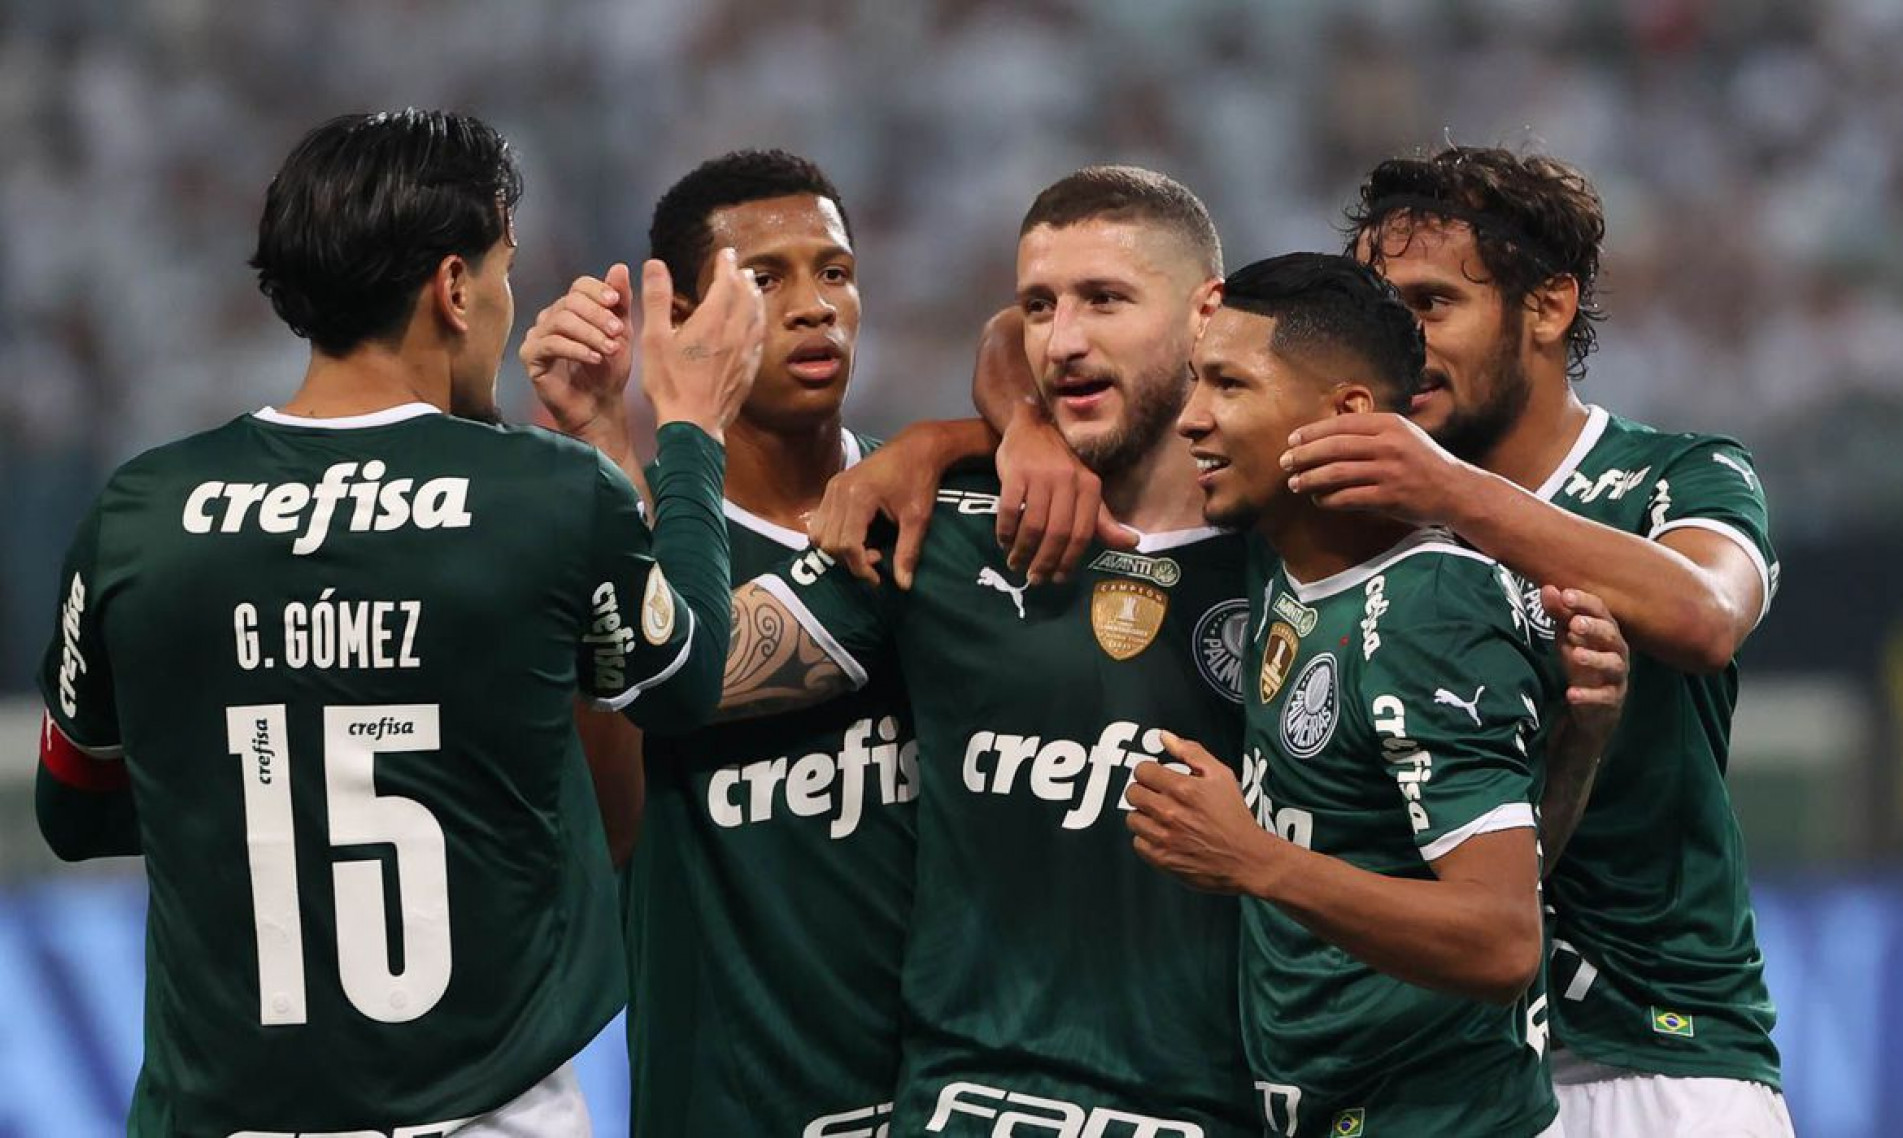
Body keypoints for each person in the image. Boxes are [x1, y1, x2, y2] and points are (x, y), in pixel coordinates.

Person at [32, 108, 764, 1137]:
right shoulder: (546, 495)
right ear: (455, 289)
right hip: (483, 1112)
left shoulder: (139, 511)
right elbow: (683, 682)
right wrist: (687, 427)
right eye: (504, 272)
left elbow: (74, 811)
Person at [718, 165, 1262, 1134]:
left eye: (1105, 300)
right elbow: (684, 672)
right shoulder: (944, 539)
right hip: (962, 1108)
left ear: (1205, 313)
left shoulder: (1292, 566)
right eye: (1040, 305)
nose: (1064, 340)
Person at [1278, 147, 1790, 1136]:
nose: (1397, 344)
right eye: (1376, 313)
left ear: (1547, 308)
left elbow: (1702, 616)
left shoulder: (1674, 476)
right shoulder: (1348, 524)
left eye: (1429, 305)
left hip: (1656, 1063)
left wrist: (1450, 491)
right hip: (1429, 1081)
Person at [1128, 252, 1582, 1137]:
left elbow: (1501, 937)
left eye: (1228, 385)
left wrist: (1254, 860)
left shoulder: (1429, 609)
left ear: (1343, 415)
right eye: (1194, 382)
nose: (1190, 419)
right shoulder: (1282, 546)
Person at [520, 148, 917, 1137]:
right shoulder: (629, 549)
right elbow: (602, 823)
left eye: (834, 271)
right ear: (681, 330)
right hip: (721, 1106)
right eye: (764, 281)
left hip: (940, 1101)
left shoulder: (932, 514)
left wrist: (967, 435)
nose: (815, 306)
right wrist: (601, 450)